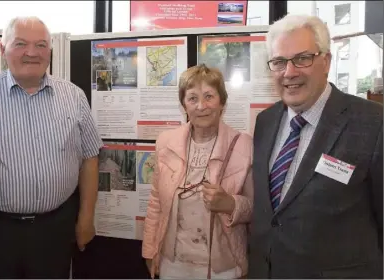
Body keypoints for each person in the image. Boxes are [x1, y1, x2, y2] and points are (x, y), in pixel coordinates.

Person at [0, 16, 103, 279]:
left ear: (50, 52)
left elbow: (90, 157)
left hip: (54, 229)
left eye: (41, 45)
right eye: (20, 44)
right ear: (3, 50)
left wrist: (86, 218)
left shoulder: (74, 96)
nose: (32, 53)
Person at [248, 14, 383, 278]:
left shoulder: (373, 124)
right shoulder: (265, 122)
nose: (289, 72)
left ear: (326, 61)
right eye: (279, 62)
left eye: (302, 58)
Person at [142, 64, 254, 279]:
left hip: (222, 267)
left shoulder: (244, 146)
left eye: (209, 96)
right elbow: (156, 202)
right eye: (192, 98)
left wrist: (231, 204)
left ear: (222, 102)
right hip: (173, 263)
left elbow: (257, 208)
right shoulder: (166, 142)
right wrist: (150, 251)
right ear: (184, 105)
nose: (201, 106)